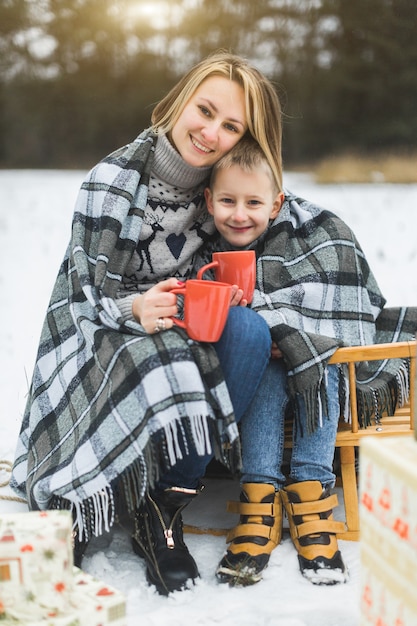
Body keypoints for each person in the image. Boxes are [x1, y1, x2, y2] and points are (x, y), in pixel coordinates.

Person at [10, 51, 284, 596]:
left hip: (184, 332)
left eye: (231, 126)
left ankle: (165, 504)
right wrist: (133, 309)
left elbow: (279, 216)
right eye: (205, 111)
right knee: (151, 355)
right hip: (105, 329)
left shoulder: (223, 190)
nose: (210, 133)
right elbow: (81, 296)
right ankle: (91, 493)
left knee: (250, 332)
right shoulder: (112, 179)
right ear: (181, 99)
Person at [202, 137, 417, 586]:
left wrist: (298, 334)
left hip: (320, 355)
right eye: (228, 201)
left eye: (253, 202)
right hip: (260, 359)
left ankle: (311, 493)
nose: (240, 214)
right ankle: (259, 495)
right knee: (266, 360)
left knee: (321, 359)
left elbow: (336, 301)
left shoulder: (311, 232)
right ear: (209, 200)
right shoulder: (202, 249)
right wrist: (265, 325)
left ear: (276, 203)